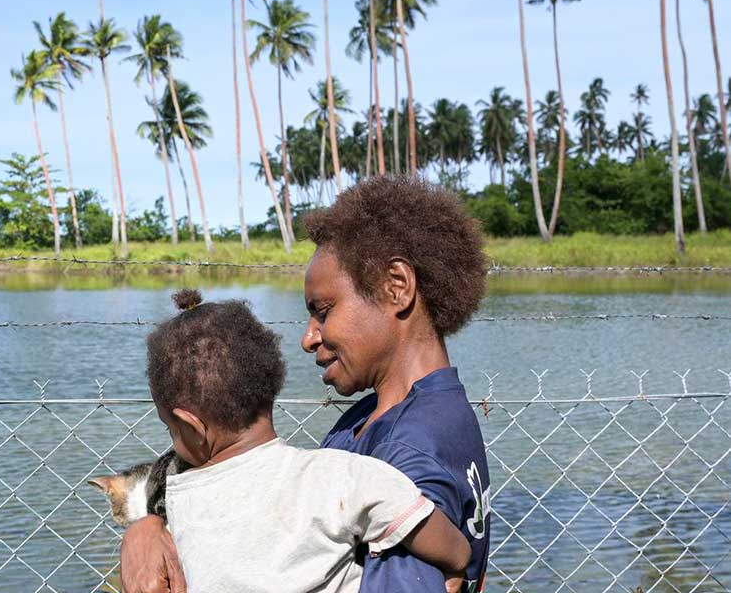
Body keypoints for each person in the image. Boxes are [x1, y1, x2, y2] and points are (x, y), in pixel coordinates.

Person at [121, 176, 491, 593]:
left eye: (323, 311)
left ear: (397, 287)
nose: (308, 337)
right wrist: (147, 527)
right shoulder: (390, 416)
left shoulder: (408, 453)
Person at [139, 288, 470, 592]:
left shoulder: (181, 504)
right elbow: (417, 521)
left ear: (192, 427)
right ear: (267, 390)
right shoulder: (341, 476)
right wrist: (457, 560)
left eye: (170, 429)